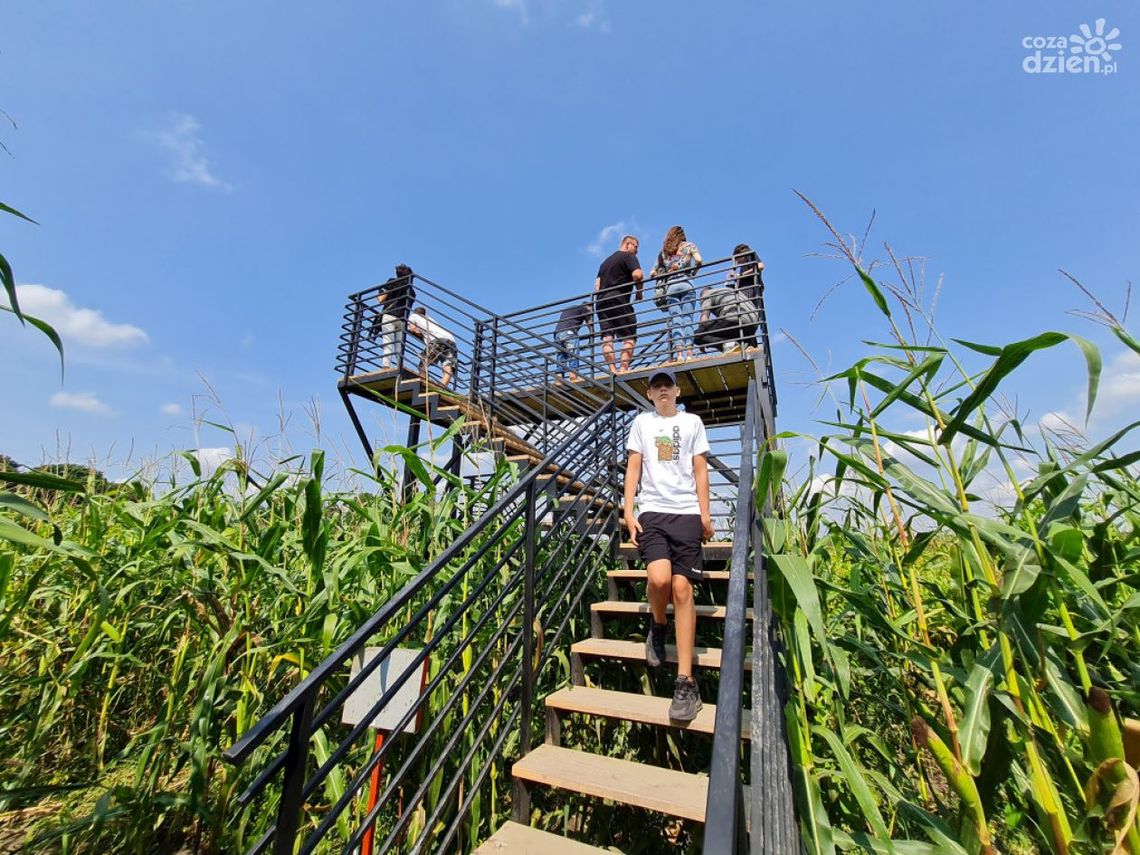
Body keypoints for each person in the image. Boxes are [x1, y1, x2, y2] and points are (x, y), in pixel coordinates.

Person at [623, 368, 713, 722]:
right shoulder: (641, 425)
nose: (663, 390)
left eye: (668, 385)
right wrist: (628, 511)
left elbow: (701, 470)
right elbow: (633, 468)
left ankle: (686, 682)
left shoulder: (692, 423)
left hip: (687, 513)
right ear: (649, 394)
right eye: (656, 386)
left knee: (682, 588)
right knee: (659, 579)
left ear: (677, 391)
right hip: (653, 513)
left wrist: (705, 516)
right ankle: (658, 625)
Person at [694, 245, 764, 354]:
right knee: (743, 320)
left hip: (749, 293)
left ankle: (728, 345)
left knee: (698, 335)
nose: (737, 262)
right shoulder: (723, 293)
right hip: (750, 318)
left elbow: (760, 266)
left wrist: (739, 275)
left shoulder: (749, 255)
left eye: (737, 259)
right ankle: (747, 345)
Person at [650, 226, 702, 363]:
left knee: (676, 321)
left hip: (671, 288)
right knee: (688, 319)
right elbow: (699, 260)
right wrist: (693, 273)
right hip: (686, 284)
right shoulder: (689, 245)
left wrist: (666, 273)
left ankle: (679, 355)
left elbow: (652, 273)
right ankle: (689, 354)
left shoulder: (664, 252)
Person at [594, 235, 644, 373]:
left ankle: (612, 369)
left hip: (601, 302)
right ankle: (623, 369)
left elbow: (597, 286)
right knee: (630, 336)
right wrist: (640, 292)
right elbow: (638, 275)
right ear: (628, 244)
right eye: (636, 247)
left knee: (607, 337)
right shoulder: (628, 256)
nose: (637, 251)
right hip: (618, 299)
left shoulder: (604, 263)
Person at [372, 264, 417, 368]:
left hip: (389, 315)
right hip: (401, 319)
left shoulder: (393, 282)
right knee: (399, 346)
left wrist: (378, 294)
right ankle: (400, 366)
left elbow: (381, 300)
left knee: (388, 342)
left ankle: (386, 365)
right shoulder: (412, 292)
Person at [407, 307, 458, 387]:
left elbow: (413, 329)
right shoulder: (429, 319)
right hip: (451, 340)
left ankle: (423, 384)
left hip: (438, 340)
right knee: (448, 367)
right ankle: (442, 387)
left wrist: (418, 333)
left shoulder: (413, 316)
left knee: (423, 364)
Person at [553, 300, 591, 383]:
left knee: (561, 356)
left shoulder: (572, 308)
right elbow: (589, 321)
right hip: (569, 332)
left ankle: (558, 380)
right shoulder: (584, 308)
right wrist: (592, 333)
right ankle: (573, 377)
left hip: (557, 333)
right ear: (587, 306)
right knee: (573, 354)